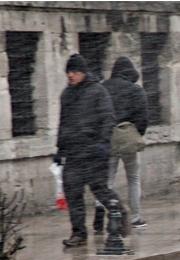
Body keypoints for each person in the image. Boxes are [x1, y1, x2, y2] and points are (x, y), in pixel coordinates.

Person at [54, 54, 130, 247]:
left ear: (83, 72)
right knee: (72, 193)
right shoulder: (66, 94)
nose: (71, 75)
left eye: (75, 72)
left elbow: (108, 118)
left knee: (100, 190)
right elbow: (64, 123)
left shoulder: (97, 91)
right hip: (73, 152)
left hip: (94, 152)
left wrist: (103, 142)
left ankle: (121, 215)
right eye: (69, 72)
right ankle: (79, 233)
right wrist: (59, 149)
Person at [93, 56, 149, 232]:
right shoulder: (135, 90)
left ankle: (102, 213)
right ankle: (135, 217)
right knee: (133, 178)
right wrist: (135, 134)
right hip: (128, 139)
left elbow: (96, 115)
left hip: (107, 138)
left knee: (107, 180)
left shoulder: (102, 88)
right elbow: (143, 117)